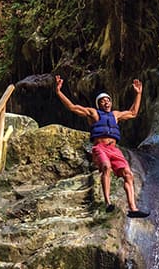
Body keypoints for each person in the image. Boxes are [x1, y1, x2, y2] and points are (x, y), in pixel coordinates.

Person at [55, 75, 150, 218]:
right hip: (100, 147)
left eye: (108, 100)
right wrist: (58, 92)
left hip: (114, 149)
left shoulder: (115, 115)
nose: (106, 102)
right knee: (106, 167)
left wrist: (138, 93)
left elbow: (133, 113)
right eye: (103, 101)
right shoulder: (93, 113)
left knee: (128, 174)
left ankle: (133, 208)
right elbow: (73, 107)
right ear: (99, 104)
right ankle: (107, 202)